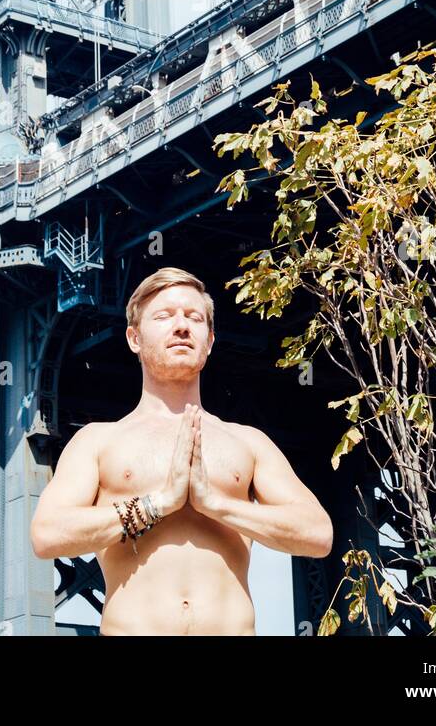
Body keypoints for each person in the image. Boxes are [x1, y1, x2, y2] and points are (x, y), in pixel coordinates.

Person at [30, 266, 333, 635]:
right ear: (134, 338)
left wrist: (217, 504)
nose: (182, 326)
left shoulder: (248, 442)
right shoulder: (97, 441)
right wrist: (157, 504)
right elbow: (47, 535)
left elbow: (317, 535)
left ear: (209, 341)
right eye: (163, 316)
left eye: (194, 318)